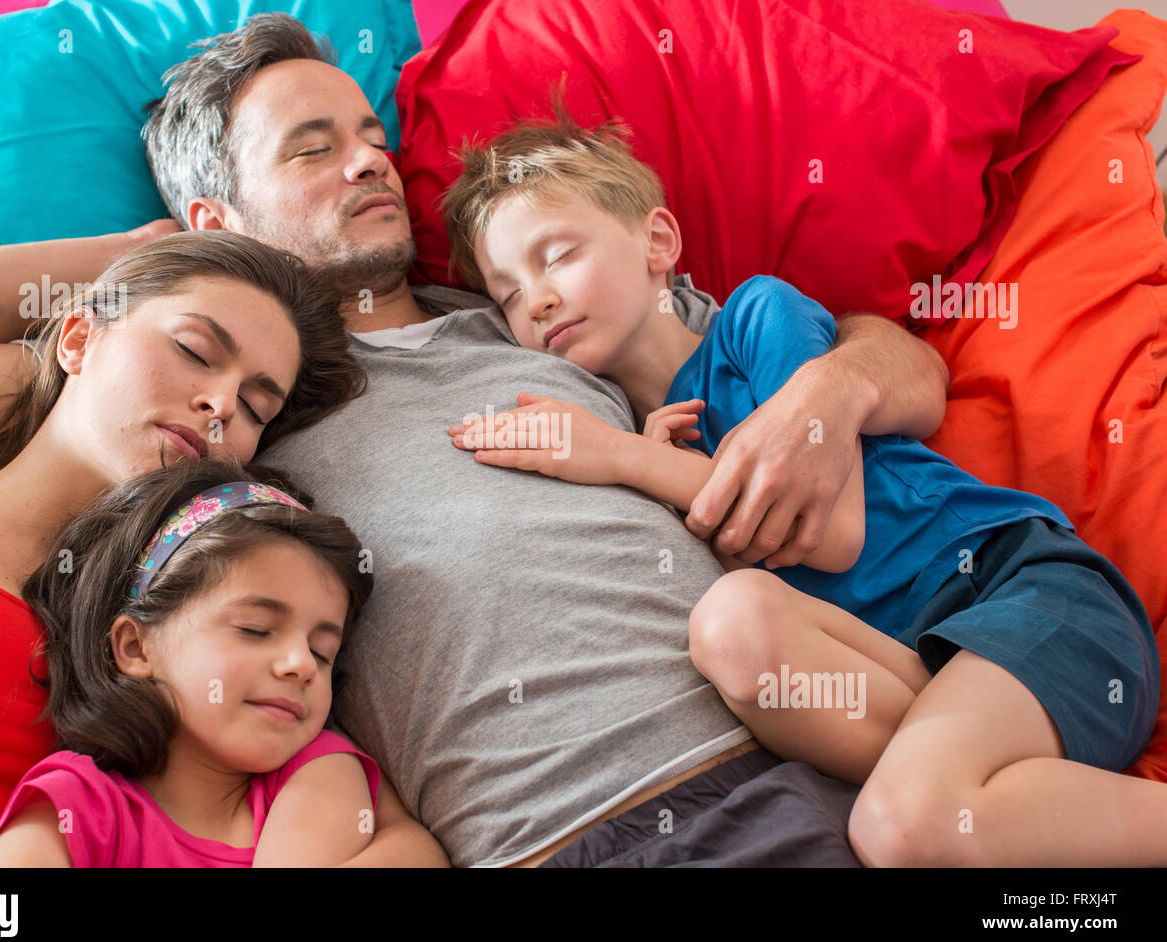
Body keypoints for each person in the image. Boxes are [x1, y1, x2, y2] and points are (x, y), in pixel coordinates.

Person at [0, 14, 952, 867]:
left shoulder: (549, 314)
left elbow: (899, 360)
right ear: (219, 217)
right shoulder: (204, 409)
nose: (368, 165)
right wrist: (140, 258)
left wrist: (836, 390)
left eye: (371, 140)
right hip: (547, 830)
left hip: (788, 756)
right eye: (314, 149)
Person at [437, 111, 1163, 865]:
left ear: (657, 242)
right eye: (510, 294)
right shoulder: (642, 443)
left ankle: (940, 796)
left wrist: (624, 459)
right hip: (922, 670)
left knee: (898, 830)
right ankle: (984, 790)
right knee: (731, 629)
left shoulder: (756, 316)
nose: (540, 299)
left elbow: (836, 528)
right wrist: (642, 463)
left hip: (1024, 600)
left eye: (556, 256)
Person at [0, 231, 441, 867]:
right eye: (194, 350)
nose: (221, 406)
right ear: (79, 338)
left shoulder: (206, 620)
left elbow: (405, 840)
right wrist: (154, 243)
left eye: (256, 406)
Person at [0, 459, 420, 866]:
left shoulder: (320, 772)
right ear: (136, 648)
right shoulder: (75, 804)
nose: (300, 665)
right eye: (255, 629)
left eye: (322, 653)